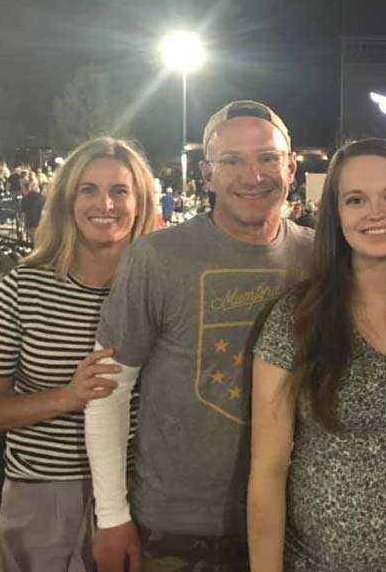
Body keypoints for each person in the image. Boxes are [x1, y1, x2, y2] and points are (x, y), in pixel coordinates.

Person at [86, 101, 313, 572]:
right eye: (232, 160)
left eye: (268, 158)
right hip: (180, 534)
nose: (252, 175)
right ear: (207, 174)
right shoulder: (156, 257)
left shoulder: (320, 257)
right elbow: (108, 390)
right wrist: (111, 516)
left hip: (297, 525)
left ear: (291, 167)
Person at [248, 138, 386, 571]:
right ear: (336, 215)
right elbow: (268, 472)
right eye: (355, 199)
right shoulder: (298, 317)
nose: (376, 212)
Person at [0, 137, 158, 571]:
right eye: (88, 189)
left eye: (120, 190)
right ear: (67, 200)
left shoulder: (158, 290)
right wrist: (66, 397)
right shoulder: (24, 287)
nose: (105, 203)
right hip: (45, 494)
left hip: (139, 492)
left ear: (140, 202)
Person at [20, 177, 44, 243]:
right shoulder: (41, 198)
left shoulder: (25, 199)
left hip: (30, 224)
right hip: (39, 224)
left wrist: (23, 225)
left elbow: (23, 213)